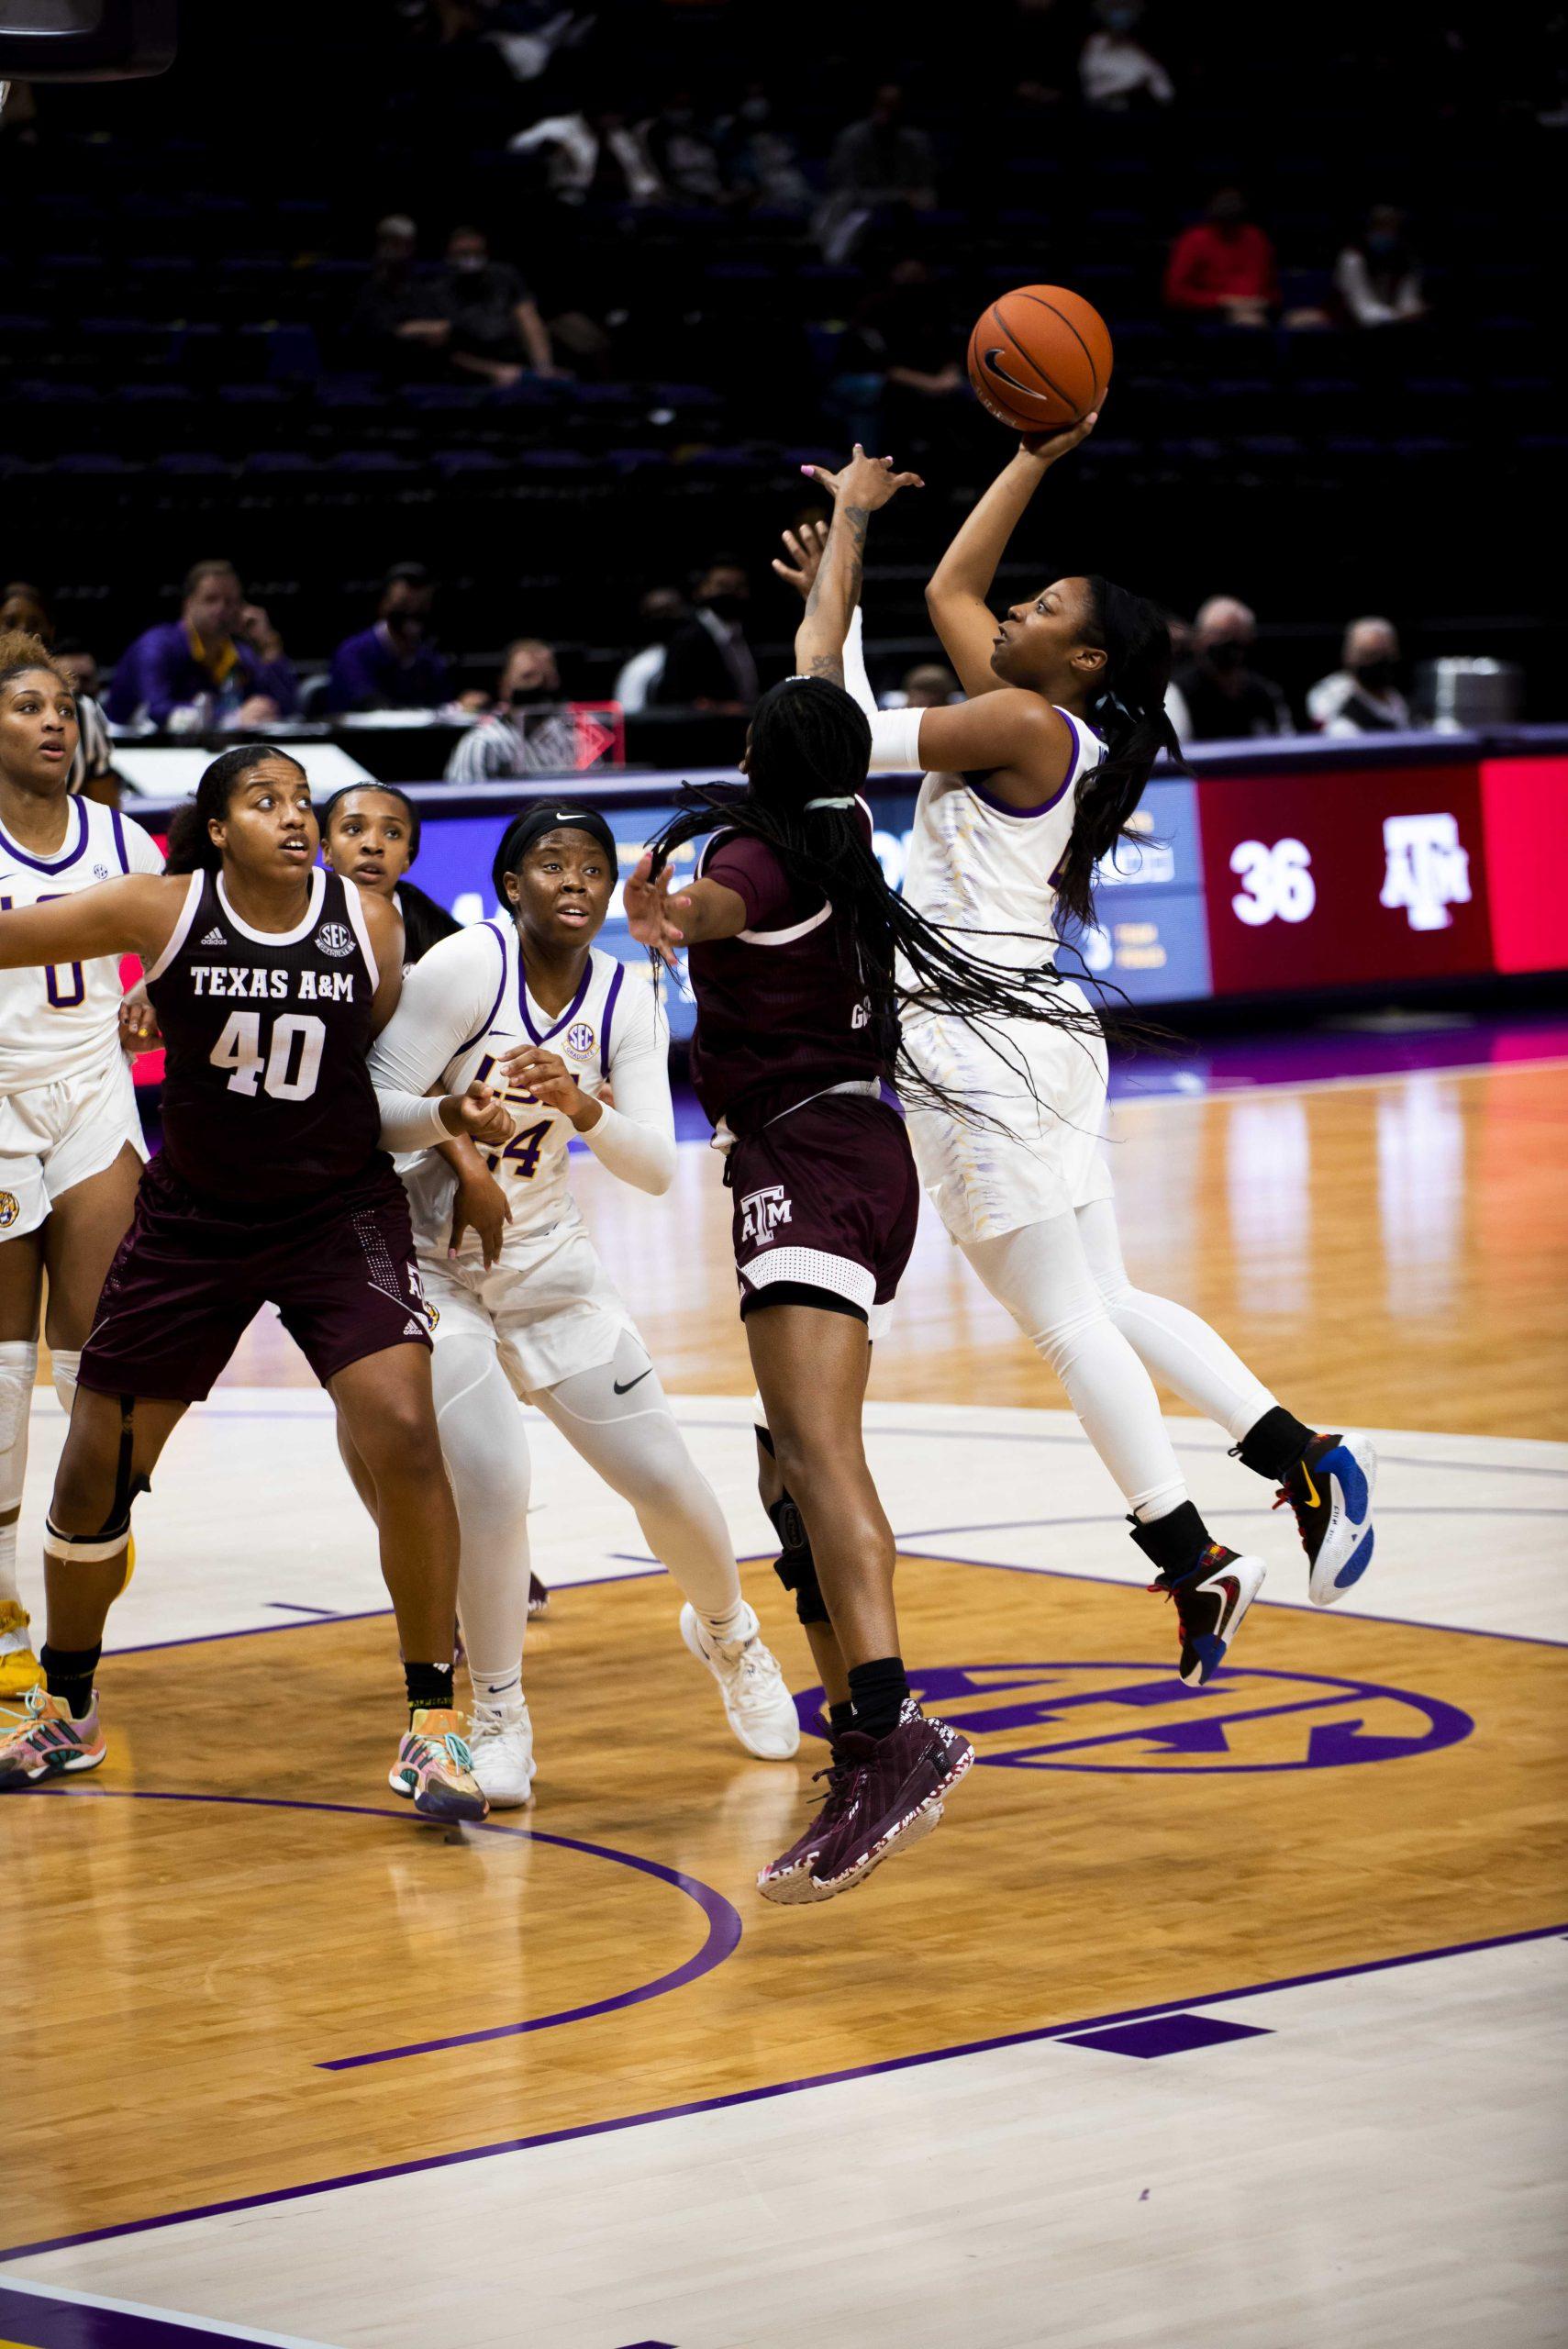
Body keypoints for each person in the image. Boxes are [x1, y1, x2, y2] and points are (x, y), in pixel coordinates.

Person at [623, 447, 1114, 1903]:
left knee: (819, 1458)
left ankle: (889, 1732)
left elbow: (716, 897)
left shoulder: (758, 863)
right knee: (785, 1466)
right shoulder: (835, 825)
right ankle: (863, 1721)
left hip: (815, 1159)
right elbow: (817, 654)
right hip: (849, 1150)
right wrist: (845, 524)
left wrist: (666, 912)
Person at [832, 419, 1376, 1687]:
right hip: (1038, 1029)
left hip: (978, 1041)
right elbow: (952, 588)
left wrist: (843, 550)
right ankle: (1302, 1455)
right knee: (1108, 1301)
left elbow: (841, 740)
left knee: (1071, 1326)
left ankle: (1193, 1558)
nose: (1008, 608)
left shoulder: (1022, 723)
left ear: (1079, 657)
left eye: (1044, 605)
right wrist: (1037, 450)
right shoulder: (1037, 712)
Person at [0, 743, 511, 1820]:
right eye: (263, 801)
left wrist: (459, 1146)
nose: (292, 816)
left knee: (404, 1431)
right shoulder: (162, 907)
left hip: (334, 1212)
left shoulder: (368, 922)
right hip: (193, 1224)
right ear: (219, 828)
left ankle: (433, 1722)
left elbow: (377, 1066)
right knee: (99, 1463)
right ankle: (67, 1702)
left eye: (300, 801)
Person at [366, 802, 799, 1803]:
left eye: (592, 867)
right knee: (492, 1482)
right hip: (431, 1267)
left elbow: (652, 1166)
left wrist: (578, 1101)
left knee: (664, 1479)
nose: (574, 880)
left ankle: (729, 1635)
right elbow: (369, 1110)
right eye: (550, 864)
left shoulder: (624, 997)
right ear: (511, 885)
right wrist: (448, 1125)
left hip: (548, 1265)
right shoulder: (468, 968)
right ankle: (500, 1714)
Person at [0, 632, 164, 1700]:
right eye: (25, 705)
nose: (52, 720)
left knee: (108, 1362)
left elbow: (182, 952)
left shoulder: (126, 841)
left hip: (96, 1093)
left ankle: (85, 1545)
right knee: (6, 1372)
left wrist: (157, 994)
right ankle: (2, 1608)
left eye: (62, 705)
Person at [106, 562, 296, 732]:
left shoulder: (241, 654)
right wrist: (232, 718)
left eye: (230, 601)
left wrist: (269, 648)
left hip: (206, 751)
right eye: (211, 599)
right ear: (188, 605)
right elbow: (157, 711)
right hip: (135, 750)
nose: (221, 609)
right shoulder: (155, 647)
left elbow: (288, 709)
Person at [317, 782, 462, 970]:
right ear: (327, 851)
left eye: (392, 833)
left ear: (407, 858)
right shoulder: (288, 923)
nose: (372, 845)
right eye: (354, 829)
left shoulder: (448, 944)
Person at [0, 585, 118, 800]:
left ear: (50, 632)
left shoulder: (84, 711)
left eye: (35, 624)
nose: (23, 632)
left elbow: (107, 810)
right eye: (10, 622)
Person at [817, 83, 937, 265]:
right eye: (883, 105)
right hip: (856, 212)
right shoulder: (852, 139)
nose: (888, 112)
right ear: (873, 106)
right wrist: (899, 196)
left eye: (894, 106)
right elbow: (849, 191)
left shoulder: (915, 142)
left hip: (903, 216)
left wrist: (917, 197)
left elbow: (925, 187)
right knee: (844, 207)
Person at [435, 224, 560, 386]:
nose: (471, 260)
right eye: (464, 254)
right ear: (449, 255)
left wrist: (544, 368)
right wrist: (495, 371)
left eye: (476, 253)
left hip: (514, 364)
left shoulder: (505, 278)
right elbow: (444, 351)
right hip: (468, 373)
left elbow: (529, 320)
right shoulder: (437, 291)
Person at [443, 640, 579, 780]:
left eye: (548, 678)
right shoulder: (483, 743)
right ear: (504, 685)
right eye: (528, 677)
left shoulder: (573, 737)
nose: (538, 683)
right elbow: (466, 800)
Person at [327, 565, 452, 715]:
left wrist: (462, 705)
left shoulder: (427, 658)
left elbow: (442, 705)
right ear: (384, 605)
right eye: (404, 604)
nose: (413, 612)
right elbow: (367, 702)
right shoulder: (353, 653)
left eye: (422, 606)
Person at [1172, 596, 1292, 740]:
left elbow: (1285, 747)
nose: (1230, 647)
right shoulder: (1177, 693)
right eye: (1221, 636)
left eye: (1238, 637)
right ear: (1200, 639)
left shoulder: (1265, 693)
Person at [507, 106, 666, 208]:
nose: (615, 120)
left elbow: (638, 175)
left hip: (621, 204)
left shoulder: (620, 137)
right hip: (570, 203)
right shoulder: (558, 128)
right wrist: (546, 147)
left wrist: (650, 190)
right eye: (610, 115)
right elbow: (517, 144)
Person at [1163, 189, 1277, 328]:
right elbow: (1175, 293)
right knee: (1250, 323)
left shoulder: (1256, 238)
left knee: (1304, 320)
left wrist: (1264, 300)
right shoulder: (1194, 240)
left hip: (1260, 308)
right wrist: (1221, 301)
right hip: (1210, 314)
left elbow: (1271, 285)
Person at [653, 564, 760, 711]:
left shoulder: (748, 632)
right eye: (723, 586)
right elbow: (675, 698)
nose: (731, 593)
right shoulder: (686, 638)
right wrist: (719, 708)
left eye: (738, 587)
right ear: (703, 589)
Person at [1307, 618, 1415, 735]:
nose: (1378, 661)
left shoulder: (1400, 696)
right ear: (1349, 655)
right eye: (1370, 654)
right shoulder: (1331, 695)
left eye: (1385, 654)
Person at [1333, 206, 1427, 329]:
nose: (1387, 232)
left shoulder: (1407, 258)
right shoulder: (1352, 258)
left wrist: (1411, 310)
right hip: (1353, 326)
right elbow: (1363, 311)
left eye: (1392, 226)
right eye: (1381, 226)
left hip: (1398, 324)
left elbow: (1408, 300)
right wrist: (1397, 316)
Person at [1078, 0, 1175, 111]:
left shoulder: (1137, 9)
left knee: (1147, 69)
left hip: (1122, 61)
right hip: (1102, 61)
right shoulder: (1097, 37)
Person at [613, 588, 689, 713]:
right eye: (659, 612)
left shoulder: (698, 656)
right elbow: (632, 717)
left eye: (672, 611)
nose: (666, 617)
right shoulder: (641, 667)